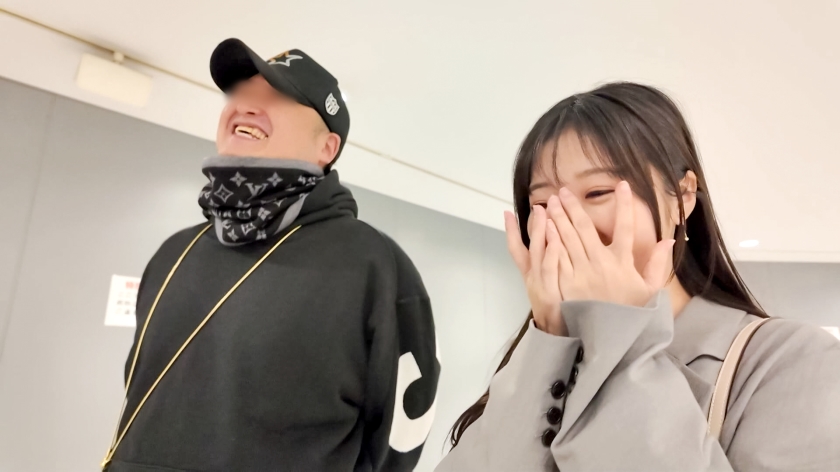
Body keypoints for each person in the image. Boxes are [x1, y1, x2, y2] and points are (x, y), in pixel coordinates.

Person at [437, 82, 840, 471]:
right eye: (543, 204)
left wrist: (618, 334)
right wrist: (549, 338)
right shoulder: (540, 359)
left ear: (683, 195)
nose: (567, 222)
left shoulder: (790, 360)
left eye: (597, 193)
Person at [101, 38, 440, 472]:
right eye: (239, 93)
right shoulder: (173, 254)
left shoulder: (375, 266)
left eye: (276, 96)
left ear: (327, 147)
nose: (244, 105)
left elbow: (399, 438)